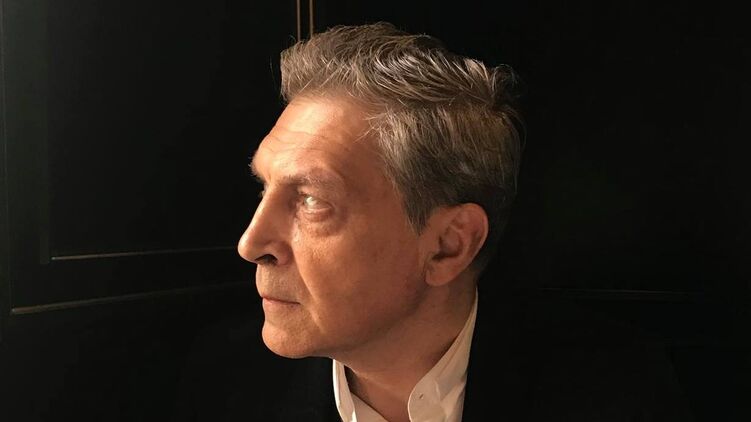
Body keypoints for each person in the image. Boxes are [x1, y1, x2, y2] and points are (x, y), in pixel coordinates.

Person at [174, 22, 691, 421]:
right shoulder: (225, 384)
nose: (251, 243)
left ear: (448, 245)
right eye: (264, 188)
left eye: (311, 200)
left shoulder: (610, 391)